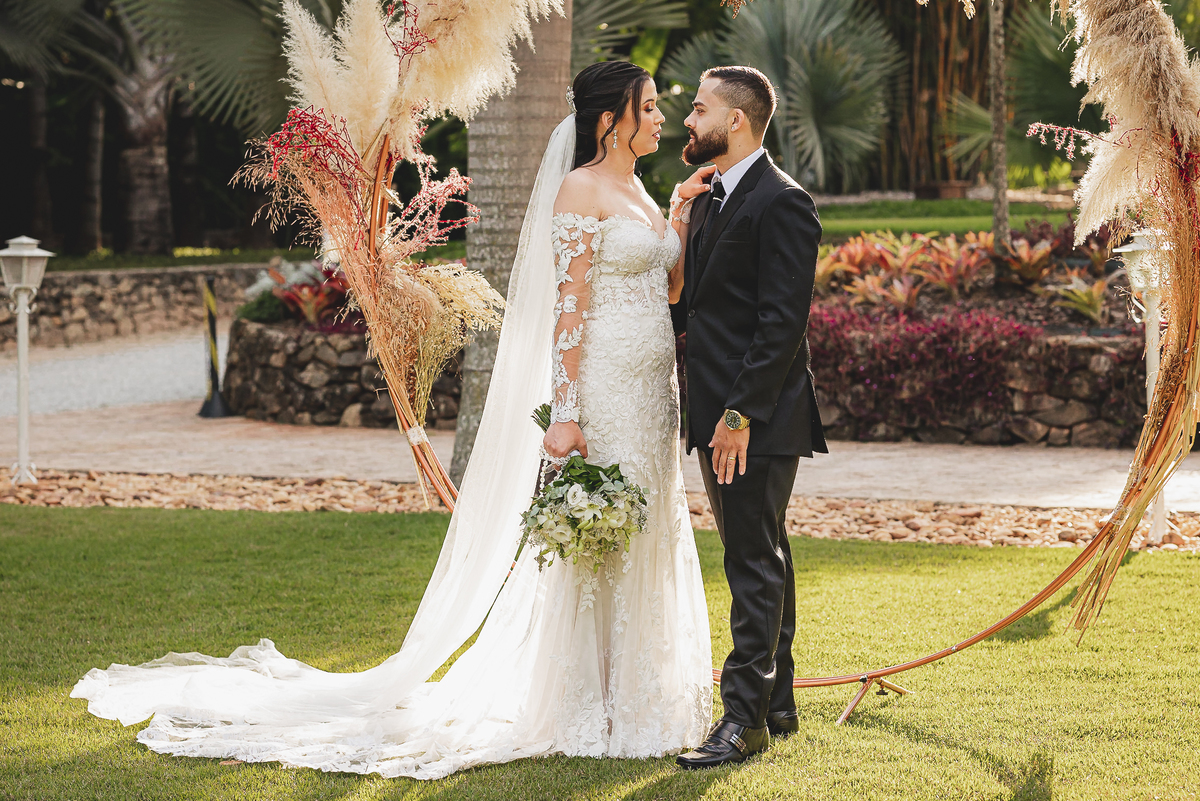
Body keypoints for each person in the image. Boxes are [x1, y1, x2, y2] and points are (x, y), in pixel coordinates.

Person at [70, 61, 717, 780]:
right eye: (651, 107)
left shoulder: (640, 192)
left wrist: (680, 211)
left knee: (647, 525)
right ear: (610, 120)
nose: (663, 118)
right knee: (602, 541)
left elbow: (669, 285)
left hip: (652, 393)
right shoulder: (579, 190)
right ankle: (591, 703)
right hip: (600, 389)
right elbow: (567, 312)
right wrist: (564, 415)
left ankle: (640, 694)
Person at [670, 66, 827, 769]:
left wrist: (738, 414)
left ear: (735, 120)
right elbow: (689, 308)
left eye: (698, 109)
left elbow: (782, 322)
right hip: (714, 412)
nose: (687, 120)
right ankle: (779, 700)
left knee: (750, 559)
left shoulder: (784, 201)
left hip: (753, 417)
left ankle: (742, 722)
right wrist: (677, 219)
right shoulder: (708, 197)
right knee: (762, 548)